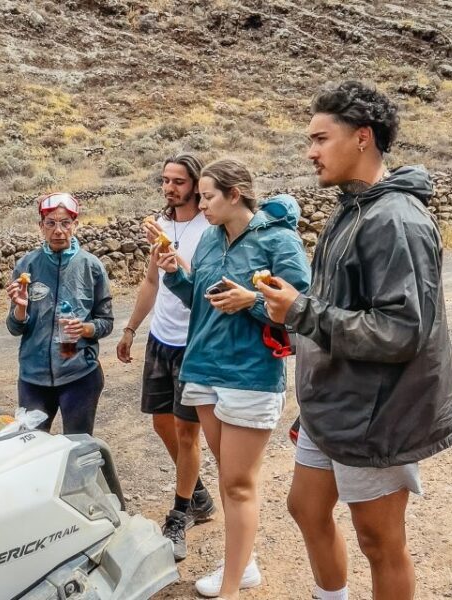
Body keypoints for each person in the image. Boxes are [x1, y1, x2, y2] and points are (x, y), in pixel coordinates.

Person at [259, 81, 452, 600]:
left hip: (377, 414)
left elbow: (402, 331)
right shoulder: (353, 206)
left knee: (379, 541)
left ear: (362, 139)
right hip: (334, 402)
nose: (310, 151)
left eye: (320, 138)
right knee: (305, 507)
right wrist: (292, 315)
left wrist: (302, 311)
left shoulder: (396, 219)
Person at [158, 158, 310, 599]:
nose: (199, 203)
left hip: (250, 374)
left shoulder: (278, 241)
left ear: (234, 195)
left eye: (207, 196)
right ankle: (244, 564)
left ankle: (230, 588)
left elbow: (304, 308)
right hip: (203, 368)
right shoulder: (208, 238)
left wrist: (253, 302)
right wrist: (175, 274)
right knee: (229, 477)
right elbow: (198, 299)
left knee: (240, 485)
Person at [116, 153, 215, 561]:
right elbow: (152, 281)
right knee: (161, 424)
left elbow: (204, 282)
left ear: (194, 185)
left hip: (194, 341)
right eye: (165, 181)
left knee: (188, 432)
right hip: (161, 339)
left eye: (177, 181)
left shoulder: (210, 227)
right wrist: (130, 328)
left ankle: (178, 515)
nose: (169, 188)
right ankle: (199, 494)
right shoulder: (164, 225)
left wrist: (172, 254)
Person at [5, 192, 113, 435]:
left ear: (75, 224)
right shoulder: (26, 266)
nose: (59, 230)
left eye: (65, 223)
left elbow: (106, 321)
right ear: (41, 226)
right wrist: (20, 308)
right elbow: (14, 328)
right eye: (51, 223)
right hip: (33, 378)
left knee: (77, 449)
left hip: (80, 376)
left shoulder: (91, 266)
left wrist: (86, 329)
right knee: (30, 447)